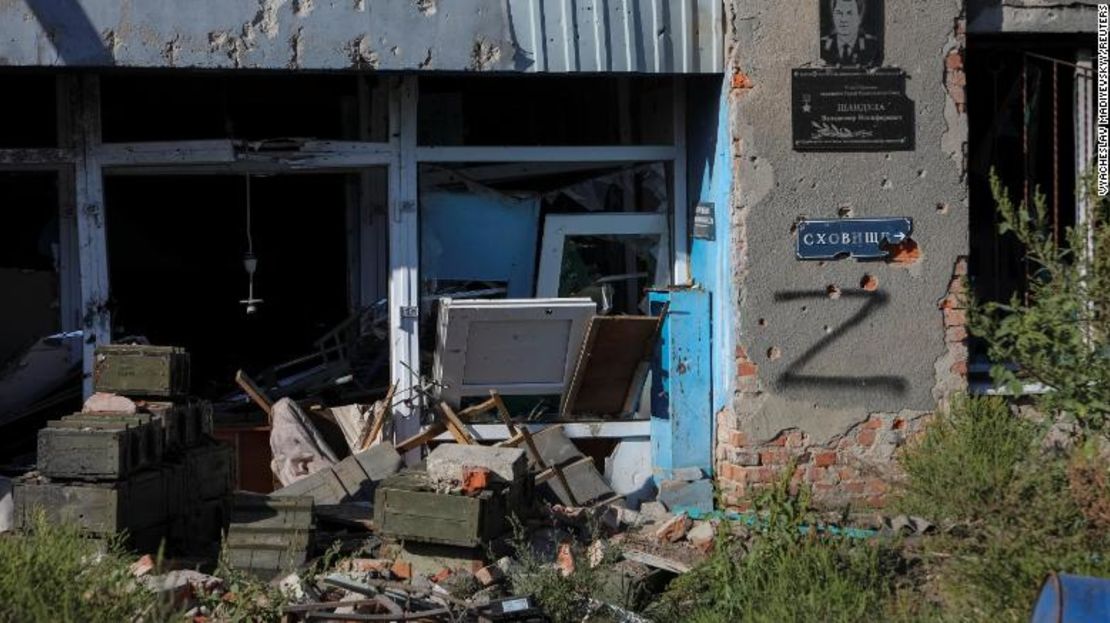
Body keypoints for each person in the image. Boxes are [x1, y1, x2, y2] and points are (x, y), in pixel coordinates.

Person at [820, 0, 881, 67]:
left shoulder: (871, 46)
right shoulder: (822, 46)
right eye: (838, 13)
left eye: (849, 13)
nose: (843, 19)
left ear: (859, 17)